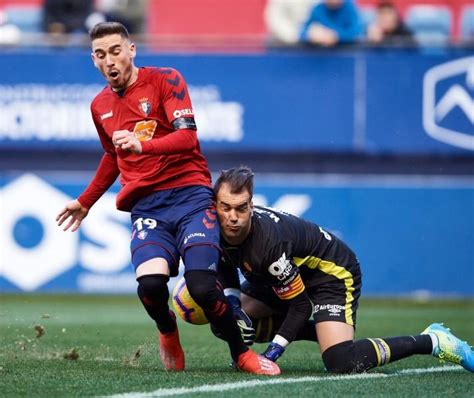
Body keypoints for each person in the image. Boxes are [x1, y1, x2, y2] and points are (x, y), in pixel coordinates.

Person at [55, 22, 279, 376]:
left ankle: (241, 355)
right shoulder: (100, 105)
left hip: (190, 196)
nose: (109, 60)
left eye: (116, 50)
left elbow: (187, 138)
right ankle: (167, 331)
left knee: (203, 286)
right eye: (100, 55)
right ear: (93, 60)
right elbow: (113, 156)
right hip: (147, 207)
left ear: (132, 50)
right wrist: (86, 201)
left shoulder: (166, 79)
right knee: (151, 285)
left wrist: (142, 144)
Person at [213, 166, 474, 374]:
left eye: (241, 208)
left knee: (340, 361)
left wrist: (271, 354)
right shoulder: (215, 227)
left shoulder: (269, 247)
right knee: (225, 320)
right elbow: (225, 263)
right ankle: (325, 331)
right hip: (284, 273)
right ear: (215, 205)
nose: (233, 217)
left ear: (251, 205)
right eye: (226, 207)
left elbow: (301, 306)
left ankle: (433, 341)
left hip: (331, 273)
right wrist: (234, 304)